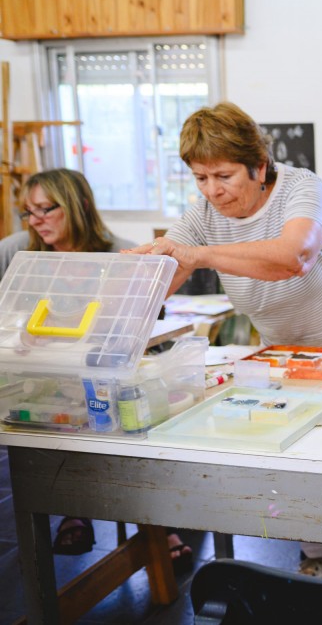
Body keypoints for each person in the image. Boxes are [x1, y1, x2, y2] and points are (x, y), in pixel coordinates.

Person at [127, 102, 322, 583]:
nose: (213, 191)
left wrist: (197, 255)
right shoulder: (204, 213)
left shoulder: (300, 186)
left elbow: (296, 256)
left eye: (224, 176)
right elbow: (168, 267)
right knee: (293, 451)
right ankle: (318, 555)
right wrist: (135, 279)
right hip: (285, 348)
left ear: (259, 165)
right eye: (201, 178)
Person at [0, 169, 194, 571]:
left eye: (45, 209)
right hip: (40, 383)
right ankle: (77, 511)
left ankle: (155, 523)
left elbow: (148, 319)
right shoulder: (18, 250)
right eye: (28, 212)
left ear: (79, 206)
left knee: (128, 426)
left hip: (107, 378)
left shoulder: (122, 254)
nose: (35, 220)